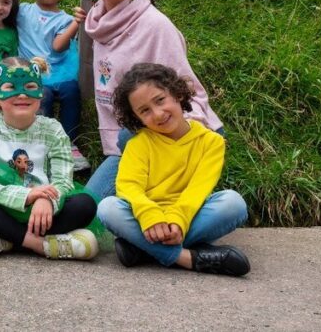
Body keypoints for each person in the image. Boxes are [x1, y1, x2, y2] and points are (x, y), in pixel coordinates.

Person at [78, 0, 223, 200]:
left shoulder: (155, 25)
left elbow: (186, 89)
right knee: (90, 206)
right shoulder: (98, 25)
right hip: (133, 136)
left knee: (111, 207)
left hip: (175, 131)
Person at [97, 63, 250, 276]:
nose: (158, 114)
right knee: (108, 208)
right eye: (145, 111)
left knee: (233, 203)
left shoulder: (211, 142)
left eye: (160, 100)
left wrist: (178, 219)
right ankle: (188, 258)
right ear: (136, 117)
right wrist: (150, 215)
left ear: (177, 94)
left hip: (189, 215)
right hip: (145, 220)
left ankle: (142, 248)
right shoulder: (138, 144)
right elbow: (129, 186)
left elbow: (198, 189)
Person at [0, 57, 99, 261]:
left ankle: (5, 239)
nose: (22, 94)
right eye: (11, 87)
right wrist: (26, 195)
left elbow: (63, 182)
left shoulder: (53, 129)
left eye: (30, 87)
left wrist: (47, 200)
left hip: (42, 212)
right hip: (1, 205)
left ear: (40, 93)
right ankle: (40, 244)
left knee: (85, 205)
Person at [18, 0, 89, 172]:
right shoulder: (23, 11)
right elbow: (0, 12)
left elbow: (58, 46)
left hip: (60, 71)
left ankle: (69, 144)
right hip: (32, 73)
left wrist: (76, 23)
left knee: (71, 91)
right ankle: (44, 144)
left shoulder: (65, 19)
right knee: (44, 96)